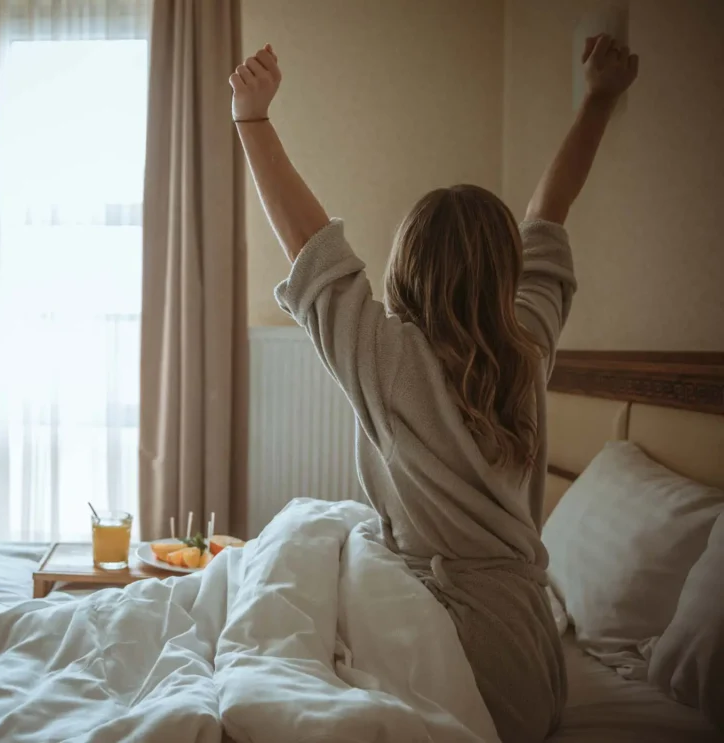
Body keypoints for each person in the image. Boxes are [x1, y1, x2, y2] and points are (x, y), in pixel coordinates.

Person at [230, 34, 638, 742]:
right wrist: (598, 101)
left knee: (307, 534)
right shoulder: (529, 342)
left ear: (406, 268)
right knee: (323, 531)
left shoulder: (389, 357)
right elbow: (550, 214)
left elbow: (309, 247)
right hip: (530, 662)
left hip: (455, 650)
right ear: (505, 276)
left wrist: (252, 119)